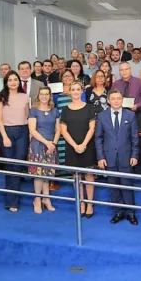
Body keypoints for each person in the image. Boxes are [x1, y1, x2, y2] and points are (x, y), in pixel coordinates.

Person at [95, 90, 139, 226]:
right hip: (109, 157)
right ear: (108, 100)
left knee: (127, 185)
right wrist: (100, 157)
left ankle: (131, 213)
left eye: (118, 98)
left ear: (122, 100)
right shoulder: (102, 116)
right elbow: (98, 138)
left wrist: (134, 155)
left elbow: (134, 137)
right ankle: (118, 211)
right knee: (114, 186)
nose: (115, 101)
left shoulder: (130, 115)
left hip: (126, 157)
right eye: (113, 98)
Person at [0, 70, 30, 212]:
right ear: (6, 82)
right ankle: (11, 201)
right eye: (10, 80)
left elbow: (27, 116)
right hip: (7, 132)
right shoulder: (0, 97)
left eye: (16, 79)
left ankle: (13, 198)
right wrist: (5, 136)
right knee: (10, 165)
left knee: (18, 165)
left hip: (22, 132)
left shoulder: (24, 96)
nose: (13, 82)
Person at [60, 82, 97, 218]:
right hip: (71, 146)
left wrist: (83, 144)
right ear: (69, 92)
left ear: (82, 91)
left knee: (88, 175)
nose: (75, 92)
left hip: (87, 145)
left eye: (78, 89)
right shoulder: (65, 110)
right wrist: (75, 145)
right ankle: (81, 203)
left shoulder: (89, 108)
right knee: (76, 176)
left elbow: (92, 128)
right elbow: (63, 130)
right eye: (73, 89)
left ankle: (90, 204)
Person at [27, 87, 60, 214]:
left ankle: (46, 198)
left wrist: (53, 144)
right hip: (38, 145)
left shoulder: (55, 111)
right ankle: (37, 198)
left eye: (47, 94)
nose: (44, 96)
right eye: (42, 94)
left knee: (47, 173)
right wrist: (46, 143)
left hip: (51, 146)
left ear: (50, 96)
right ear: (38, 96)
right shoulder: (33, 111)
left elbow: (58, 130)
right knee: (39, 174)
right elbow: (32, 130)